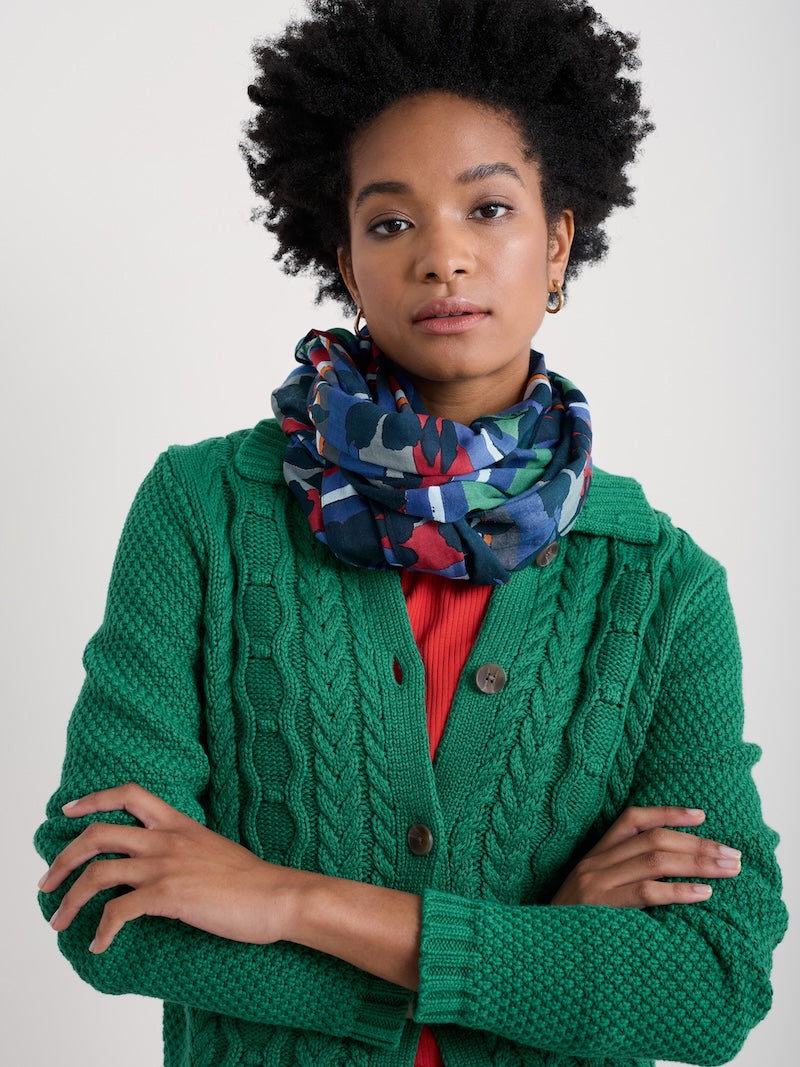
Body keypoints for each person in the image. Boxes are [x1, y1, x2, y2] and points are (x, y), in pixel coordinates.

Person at [34, 1, 786, 1065]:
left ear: (557, 239)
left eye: (487, 209)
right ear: (344, 259)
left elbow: (711, 983)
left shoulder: (657, 584)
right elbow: (99, 895)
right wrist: (541, 940)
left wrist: (285, 897)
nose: (442, 255)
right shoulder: (205, 507)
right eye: (391, 222)